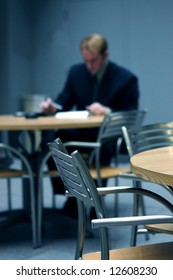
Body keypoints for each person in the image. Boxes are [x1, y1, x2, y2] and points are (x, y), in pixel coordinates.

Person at [40, 33, 140, 217]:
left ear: (105, 55)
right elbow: (65, 100)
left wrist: (109, 111)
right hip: (81, 132)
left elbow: (130, 114)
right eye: (86, 61)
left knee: (102, 146)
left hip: (107, 135)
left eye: (93, 61)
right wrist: (54, 107)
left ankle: (97, 200)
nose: (89, 66)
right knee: (54, 141)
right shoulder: (76, 72)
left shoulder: (126, 78)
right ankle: (72, 198)